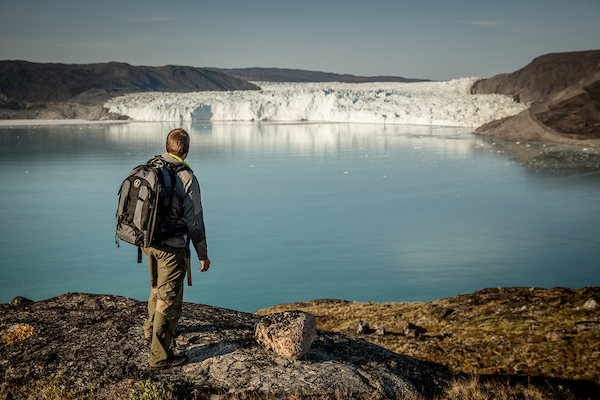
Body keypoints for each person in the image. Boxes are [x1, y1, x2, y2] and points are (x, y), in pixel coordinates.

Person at [142, 128, 210, 370]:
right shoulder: (186, 177)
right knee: (168, 301)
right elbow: (195, 221)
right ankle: (159, 357)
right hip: (171, 247)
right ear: (187, 150)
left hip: (147, 242)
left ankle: (150, 331)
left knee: (156, 288)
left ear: (167, 146)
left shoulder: (152, 166)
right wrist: (203, 254)